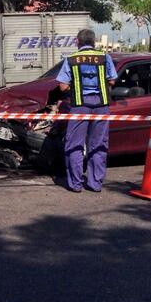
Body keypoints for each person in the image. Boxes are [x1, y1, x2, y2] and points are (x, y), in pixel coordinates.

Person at [56, 29, 118, 193]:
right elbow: (112, 81)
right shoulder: (105, 57)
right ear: (94, 41)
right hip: (101, 106)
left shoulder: (71, 59)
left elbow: (62, 86)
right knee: (98, 145)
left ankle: (75, 184)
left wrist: (77, 87)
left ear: (78, 42)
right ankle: (95, 183)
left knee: (74, 144)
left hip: (79, 106)